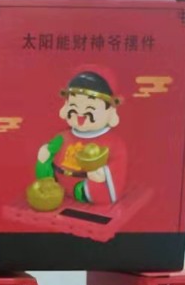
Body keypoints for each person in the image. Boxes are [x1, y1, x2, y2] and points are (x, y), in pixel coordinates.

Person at [34, 71, 127, 208]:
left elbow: (117, 167)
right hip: (57, 186)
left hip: (84, 187)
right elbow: (51, 150)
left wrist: (103, 174)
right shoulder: (63, 136)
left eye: (90, 108)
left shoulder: (113, 143)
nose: (80, 114)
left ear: (110, 112)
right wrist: (46, 154)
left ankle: (83, 192)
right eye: (74, 106)